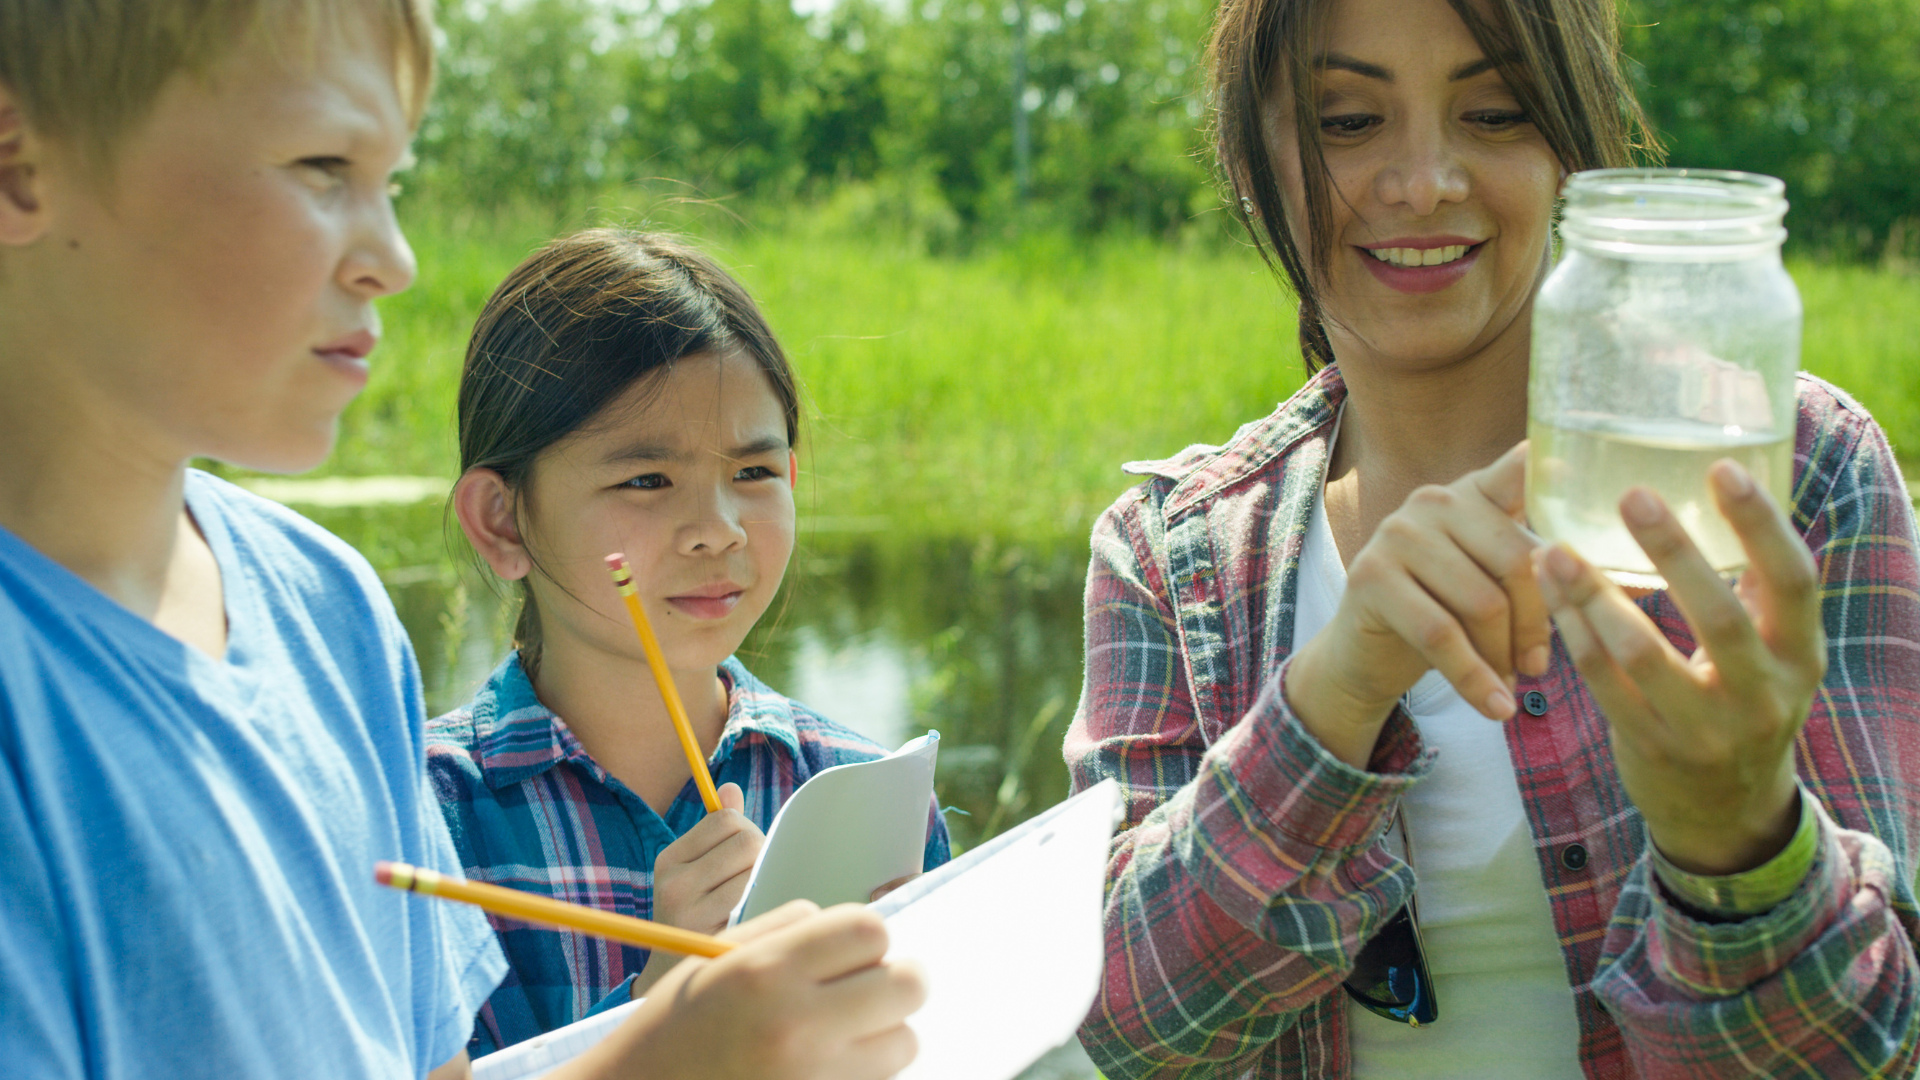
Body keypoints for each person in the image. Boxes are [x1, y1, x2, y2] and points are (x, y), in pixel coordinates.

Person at [0, 3, 924, 1078]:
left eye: (390, 182)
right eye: (320, 166)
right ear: (21, 166)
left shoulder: (326, 608)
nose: (392, 258)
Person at [1063, 0, 1920, 1076]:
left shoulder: (1782, 472)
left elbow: (1871, 1051)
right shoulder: (1173, 553)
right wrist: (1334, 695)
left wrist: (1737, 834)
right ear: (1249, 162)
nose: (1425, 181)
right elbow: (1126, 1027)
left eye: (1497, 111)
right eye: (1346, 120)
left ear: (1576, 148)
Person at [431, 228, 952, 1056]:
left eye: (753, 474)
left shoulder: (860, 793)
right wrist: (657, 1014)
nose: (716, 530)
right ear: (502, 518)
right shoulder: (427, 815)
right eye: (645, 480)